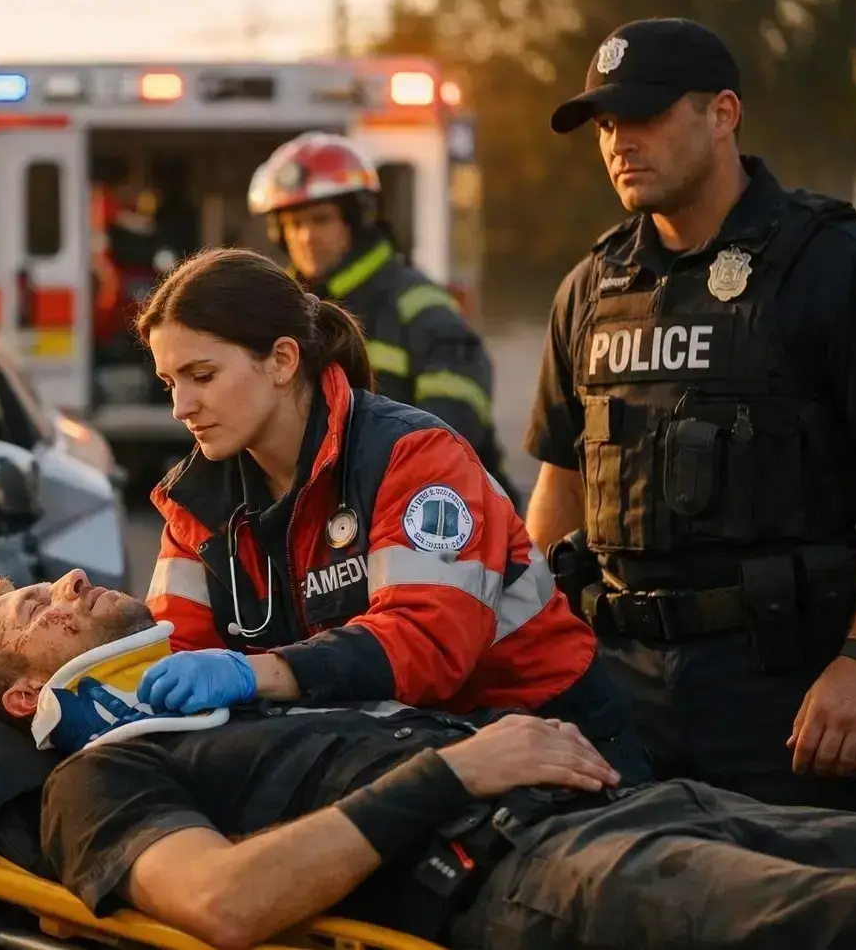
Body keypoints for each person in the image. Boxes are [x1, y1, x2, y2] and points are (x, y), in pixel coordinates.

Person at [0, 569, 856, 950]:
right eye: (34, 610)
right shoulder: (95, 776)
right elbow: (224, 901)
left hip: (630, 808)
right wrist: (459, 770)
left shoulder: (227, 695)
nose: (68, 581)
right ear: (26, 697)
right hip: (527, 867)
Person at [523, 16, 856, 812]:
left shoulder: (834, 265)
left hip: (792, 696)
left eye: (643, 115)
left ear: (723, 114)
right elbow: (560, 489)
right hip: (621, 698)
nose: (619, 142)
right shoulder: (590, 289)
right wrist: (529, 656)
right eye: (604, 125)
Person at [131, 247, 646, 777]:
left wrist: (257, 672)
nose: (180, 407)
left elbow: (427, 643)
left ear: (283, 360)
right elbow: (175, 655)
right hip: (399, 746)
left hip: (551, 734)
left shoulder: (413, 456)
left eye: (202, 375)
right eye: (171, 383)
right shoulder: (195, 503)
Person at [248, 131, 521, 507]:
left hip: (438, 508)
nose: (307, 237)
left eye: (321, 220)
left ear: (357, 220)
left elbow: (452, 429)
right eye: (294, 224)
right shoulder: (281, 311)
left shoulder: (418, 304)